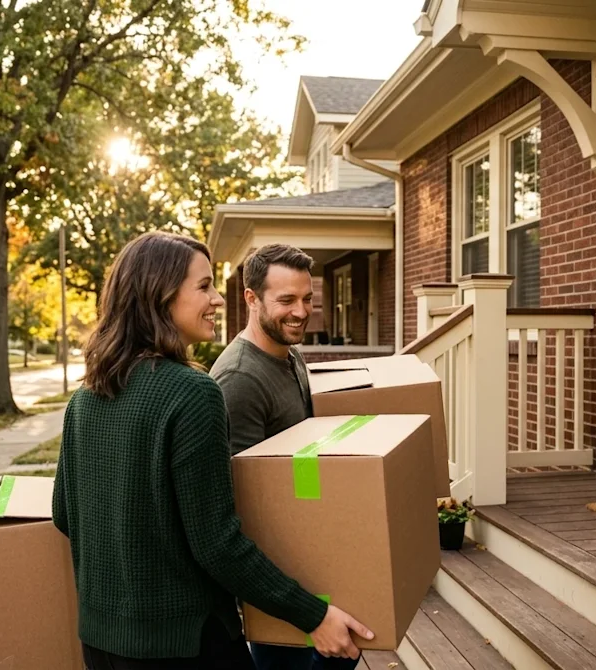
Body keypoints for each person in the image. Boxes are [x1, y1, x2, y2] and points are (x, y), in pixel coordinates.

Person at [52, 231, 372, 669]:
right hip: (185, 645)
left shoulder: (84, 398)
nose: (218, 300)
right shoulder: (192, 393)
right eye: (203, 287)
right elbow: (217, 544)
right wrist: (312, 614)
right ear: (159, 295)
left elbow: (65, 515)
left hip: (100, 642)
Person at [210, 244, 361, 670]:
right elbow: (245, 503)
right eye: (286, 301)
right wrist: (301, 607)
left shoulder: (290, 354)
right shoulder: (240, 379)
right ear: (251, 299)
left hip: (313, 560)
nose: (301, 311)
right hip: (280, 585)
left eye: (307, 298)